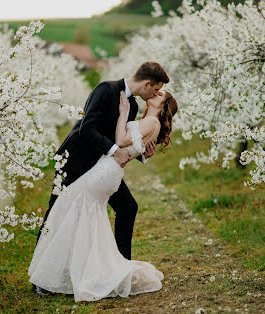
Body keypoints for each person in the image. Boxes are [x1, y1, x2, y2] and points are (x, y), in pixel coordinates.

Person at [28, 63, 178, 301]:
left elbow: (126, 141)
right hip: (75, 162)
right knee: (56, 212)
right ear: (147, 83)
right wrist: (114, 151)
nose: (154, 94)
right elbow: (87, 129)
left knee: (127, 207)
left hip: (102, 167)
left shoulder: (133, 106)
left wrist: (142, 153)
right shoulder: (105, 89)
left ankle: (120, 268)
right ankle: (42, 277)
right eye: (156, 89)